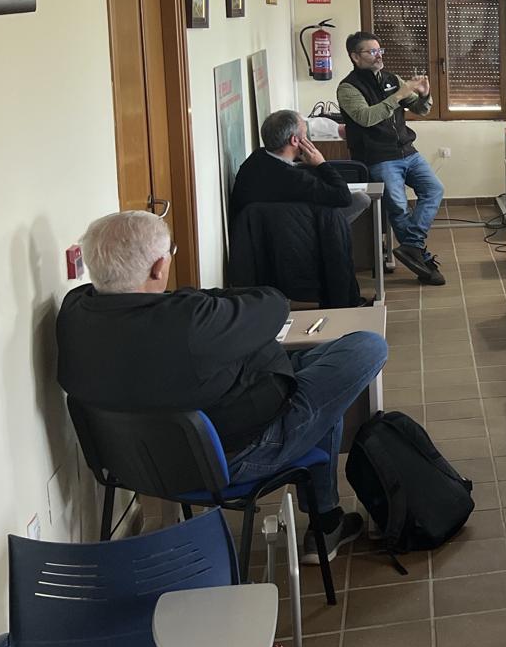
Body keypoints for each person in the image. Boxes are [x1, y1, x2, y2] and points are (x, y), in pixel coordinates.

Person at [56, 212, 386, 561]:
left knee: (318, 384)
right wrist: (198, 299)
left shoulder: (73, 312)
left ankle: (327, 521)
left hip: (129, 463)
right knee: (366, 349)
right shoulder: (190, 322)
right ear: (158, 268)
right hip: (227, 458)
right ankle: (325, 521)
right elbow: (273, 303)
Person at [337, 31, 445, 285]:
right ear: (355, 57)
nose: (378, 56)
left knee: (434, 189)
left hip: (407, 150)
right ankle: (422, 260)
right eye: (371, 51)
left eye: (380, 50)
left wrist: (424, 94)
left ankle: (412, 247)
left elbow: (421, 109)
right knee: (398, 207)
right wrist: (397, 96)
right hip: (378, 156)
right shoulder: (348, 88)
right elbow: (366, 118)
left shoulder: (391, 79)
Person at [230, 109, 371, 223]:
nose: (307, 138)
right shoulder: (296, 179)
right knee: (361, 199)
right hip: (292, 236)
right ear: (295, 140)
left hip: (253, 235)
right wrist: (321, 163)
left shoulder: (256, 158)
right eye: (305, 134)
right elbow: (343, 197)